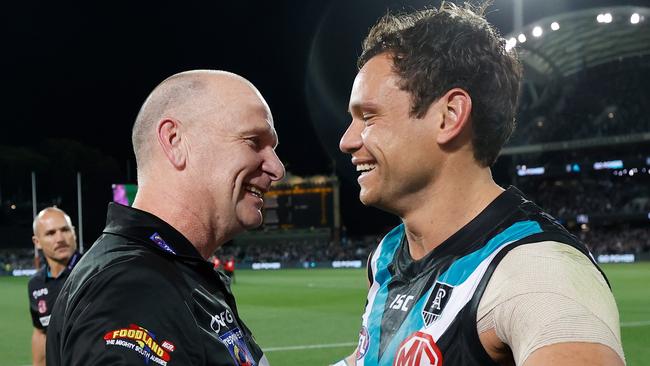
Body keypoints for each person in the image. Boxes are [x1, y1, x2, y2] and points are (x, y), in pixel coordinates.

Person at [336, 3, 625, 366]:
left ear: (449, 116)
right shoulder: (388, 256)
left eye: (369, 116)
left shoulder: (539, 271)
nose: (347, 140)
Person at [46, 70, 285, 366]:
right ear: (174, 141)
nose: (277, 168)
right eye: (253, 141)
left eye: (273, 148)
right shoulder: (131, 289)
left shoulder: (171, 271)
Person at [27, 207, 80, 366]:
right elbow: (41, 332)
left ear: (74, 233)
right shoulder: (36, 284)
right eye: (50, 233)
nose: (60, 238)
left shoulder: (95, 272)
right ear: (37, 242)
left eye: (65, 230)